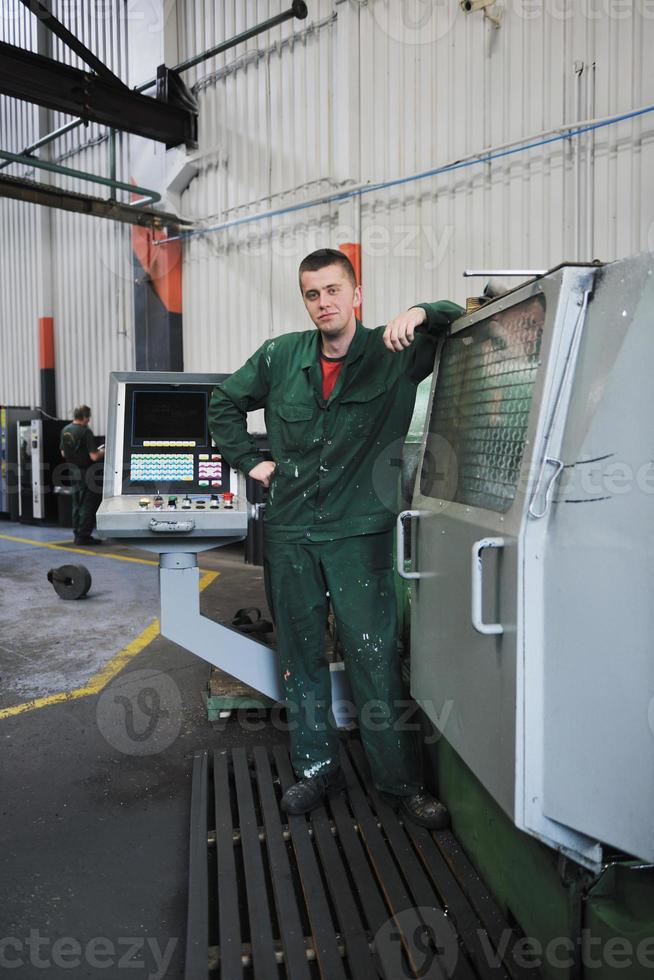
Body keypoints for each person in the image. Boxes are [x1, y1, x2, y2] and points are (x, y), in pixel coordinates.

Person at [208, 248, 463, 827]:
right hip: (291, 533)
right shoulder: (280, 355)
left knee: (374, 655)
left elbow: (461, 319)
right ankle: (317, 770)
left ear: (356, 294)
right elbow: (223, 403)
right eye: (312, 293)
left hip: (359, 534)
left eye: (332, 290)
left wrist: (422, 310)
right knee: (301, 656)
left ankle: (400, 784)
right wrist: (252, 461)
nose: (323, 303)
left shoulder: (395, 352)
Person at [60, 405, 105, 546]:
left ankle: (77, 533)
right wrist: (104, 451)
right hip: (86, 473)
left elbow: (63, 453)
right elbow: (93, 456)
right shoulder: (85, 432)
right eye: (88, 417)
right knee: (88, 504)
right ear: (85, 417)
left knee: (76, 503)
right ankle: (84, 536)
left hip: (72, 471)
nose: (89, 420)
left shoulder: (65, 430)